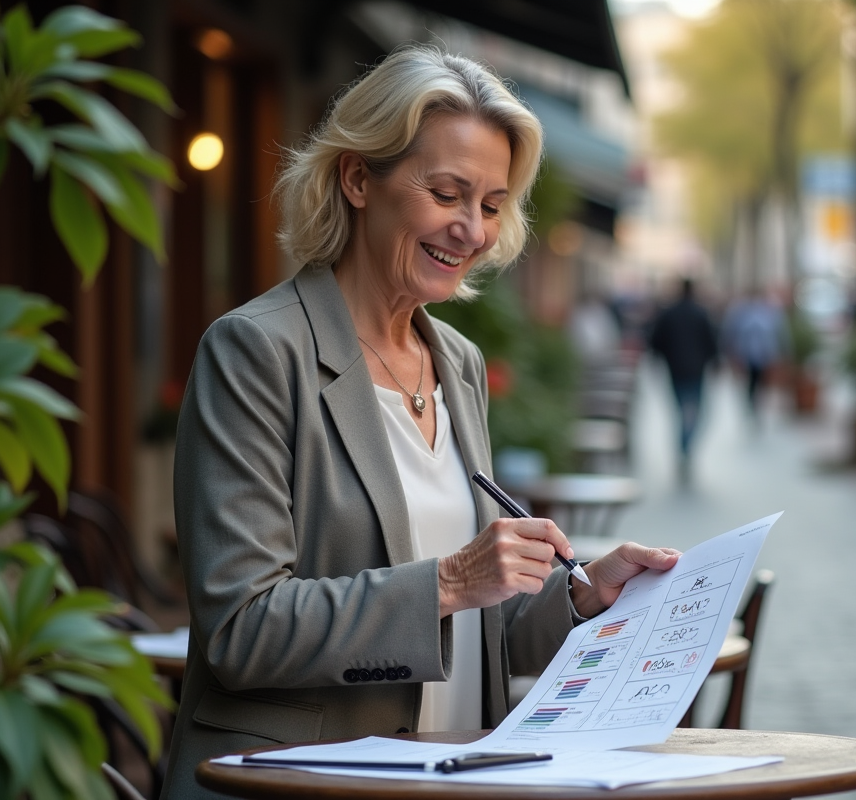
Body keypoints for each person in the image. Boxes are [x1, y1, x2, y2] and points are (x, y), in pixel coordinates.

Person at [161, 46, 680, 799]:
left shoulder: (458, 363)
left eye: (492, 205)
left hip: (456, 776)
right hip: (302, 783)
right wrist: (450, 580)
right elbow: (242, 629)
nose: (472, 230)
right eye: (446, 194)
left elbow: (474, 630)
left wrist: (579, 594)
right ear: (356, 178)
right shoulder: (256, 351)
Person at [648, 278, 719, 482]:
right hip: (696, 371)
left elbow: (655, 342)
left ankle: (683, 447)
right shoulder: (700, 313)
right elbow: (712, 342)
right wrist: (715, 363)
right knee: (695, 413)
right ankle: (685, 447)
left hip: (676, 370)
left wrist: (659, 360)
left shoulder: (669, 313)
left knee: (681, 411)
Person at [720, 289, 788, 414]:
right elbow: (731, 332)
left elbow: (780, 333)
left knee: (761, 380)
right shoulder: (741, 311)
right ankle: (752, 401)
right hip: (747, 354)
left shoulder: (770, 311)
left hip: (764, 355)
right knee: (752, 380)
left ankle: (756, 401)